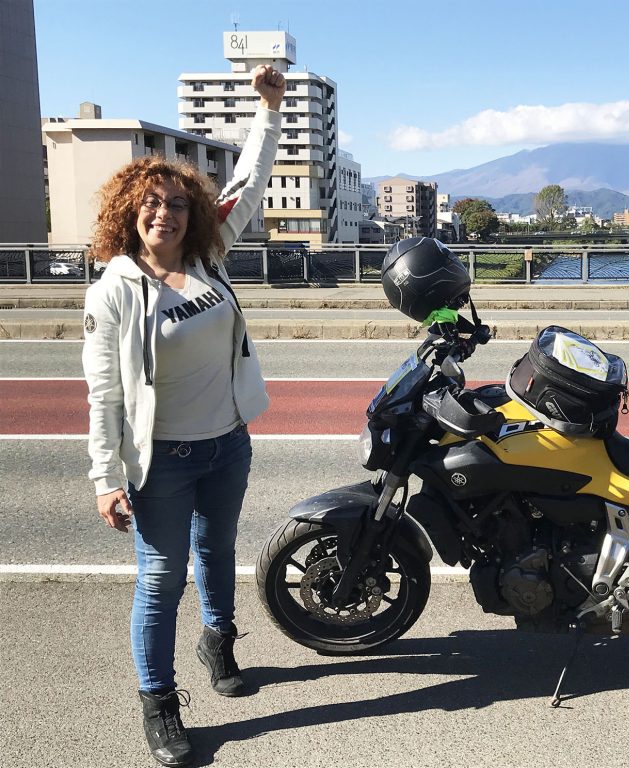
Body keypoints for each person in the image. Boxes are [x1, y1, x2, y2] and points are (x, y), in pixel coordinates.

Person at [82, 64, 284, 767]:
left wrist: (270, 109)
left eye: (175, 202)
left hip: (227, 443)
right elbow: (103, 390)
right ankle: (160, 703)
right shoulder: (115, 290)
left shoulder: (210, 258)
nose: (164, 212)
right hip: (160, 459)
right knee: (162, 579)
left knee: (218, 553)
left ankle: (219, 640)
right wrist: (107, 476)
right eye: (151, 203)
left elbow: (250, 183)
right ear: (130, 212)